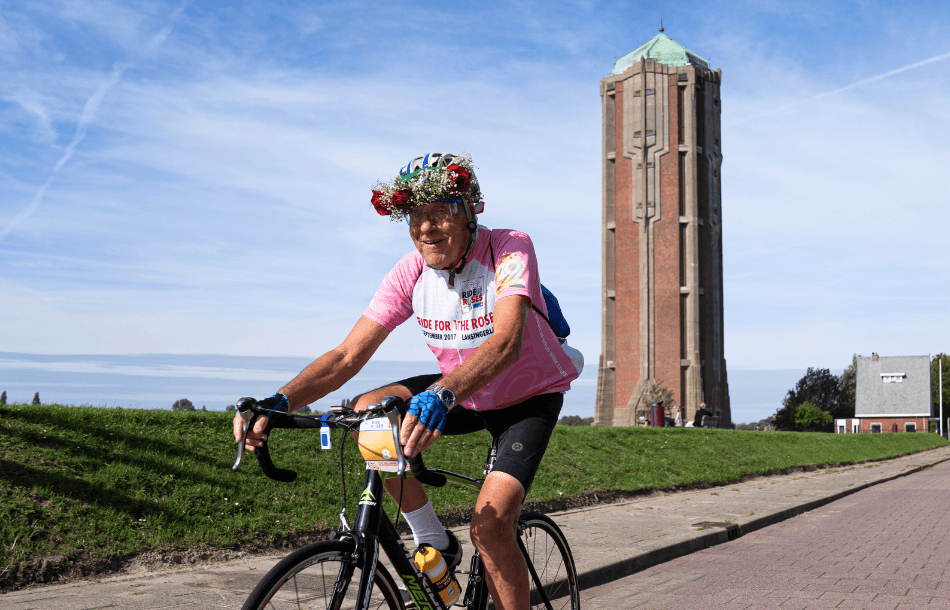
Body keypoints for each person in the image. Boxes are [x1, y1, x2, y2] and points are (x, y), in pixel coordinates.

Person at [233, 152, 580, 610]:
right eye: (415, 216)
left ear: (470, 210)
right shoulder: (410, 271)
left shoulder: (509, 248)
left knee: (492, 528)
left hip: (526, 396)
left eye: (440, 212)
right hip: (464, 390)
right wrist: (281, 400)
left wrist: (442, 392)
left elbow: (506, 342)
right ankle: (433, 539)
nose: (426, 228)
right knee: (366, 412)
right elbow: (346, 355)